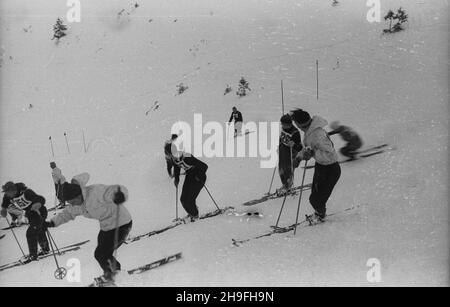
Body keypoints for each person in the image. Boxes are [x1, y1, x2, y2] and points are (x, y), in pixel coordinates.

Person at [44, 172, 132, 285]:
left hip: (121, 223)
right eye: (70, 202)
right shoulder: (77, 205)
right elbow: (67, 214)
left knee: (101, 253)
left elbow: (115, 190)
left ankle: (114, 275)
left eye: (73, 201)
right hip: (106, 227)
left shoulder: (95, 192)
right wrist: (51, 223)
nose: (73, 204)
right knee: (102, 253)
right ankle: (114, 273)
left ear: (79, 194)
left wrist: (120, 195)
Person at [291, 109, 341, 224]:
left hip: (331, 169)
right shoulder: (310, 131)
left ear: (300, 124)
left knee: (316, 199)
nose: (297, 127)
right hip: (321, 166)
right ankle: (319, 213)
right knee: (315, 195)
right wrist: (298, 158)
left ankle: (320, 215)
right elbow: (308, 148)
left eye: (297, 124)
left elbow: (330, 151)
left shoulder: (317, 134)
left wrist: (312, 153)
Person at [1, 181, 49, 262]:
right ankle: (45, 249)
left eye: (7, 192)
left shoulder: (27, 192)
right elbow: (5, 200)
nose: (6, 194)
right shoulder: (9, 196)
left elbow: (41, 199)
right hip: (30, 214)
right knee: (38, 230)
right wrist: (4, 209)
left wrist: (38, 203)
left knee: (31, 233)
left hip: (39, 212)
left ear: (13, 190)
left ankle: (33, 255)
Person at [171, 149, 208, 222]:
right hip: (190, 175)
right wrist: (177, 179)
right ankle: (191, 213)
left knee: (190, 200)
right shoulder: (174, 158)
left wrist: (199, 175)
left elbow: (204, 166)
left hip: (199, 178)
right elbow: (176, 166)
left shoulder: (187, 157)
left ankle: (195, 215)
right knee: (183, 199)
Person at [277, 114, 303, 195]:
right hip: (283, 153)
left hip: (292, 154)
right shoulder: (284, 129)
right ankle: (285, 184)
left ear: (289, 124)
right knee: (281, 169)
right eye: (282, 124)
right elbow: (281, 138)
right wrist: (279, 146)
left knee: (288, 170)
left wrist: (294, 145)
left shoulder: (295, 132)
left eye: (284, 124)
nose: (282, 126)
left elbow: (300, 147)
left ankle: (288, 186)